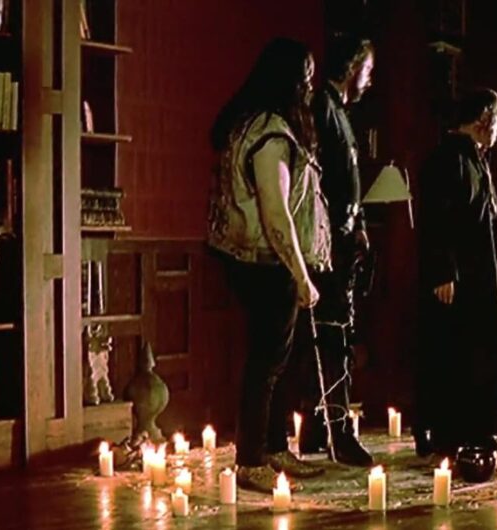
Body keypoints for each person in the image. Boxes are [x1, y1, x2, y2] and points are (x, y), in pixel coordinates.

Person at [208, 38, 331, 492]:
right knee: (266, 361)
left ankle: (275, 447)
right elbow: (276, 213)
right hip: (265, 260)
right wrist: (301, 275)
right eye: (306, 79)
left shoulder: (251, 124)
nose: (310, 88)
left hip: (256, 258)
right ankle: (252, 458)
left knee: (277, 360)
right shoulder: (271, 133)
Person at [415, 88, 497, 458]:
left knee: (473, 353)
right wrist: (443, 271)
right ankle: (447, 432)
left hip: (477, 275)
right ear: (483, 119)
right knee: (451, 353)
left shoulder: (474, 158)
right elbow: (437, 220)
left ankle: (475, 430)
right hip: (456, 277)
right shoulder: (449, 158)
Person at [297, 35, 375, 466]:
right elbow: (323, 180)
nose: (370, 80)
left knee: (333, 333)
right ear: (351, 67)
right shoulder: (323, 108)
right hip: (327, 244)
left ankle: (319, 427)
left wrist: (358, 225)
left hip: (340, 239)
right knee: (333, 335)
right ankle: (336, 430)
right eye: (368, 70)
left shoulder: (339, 112)